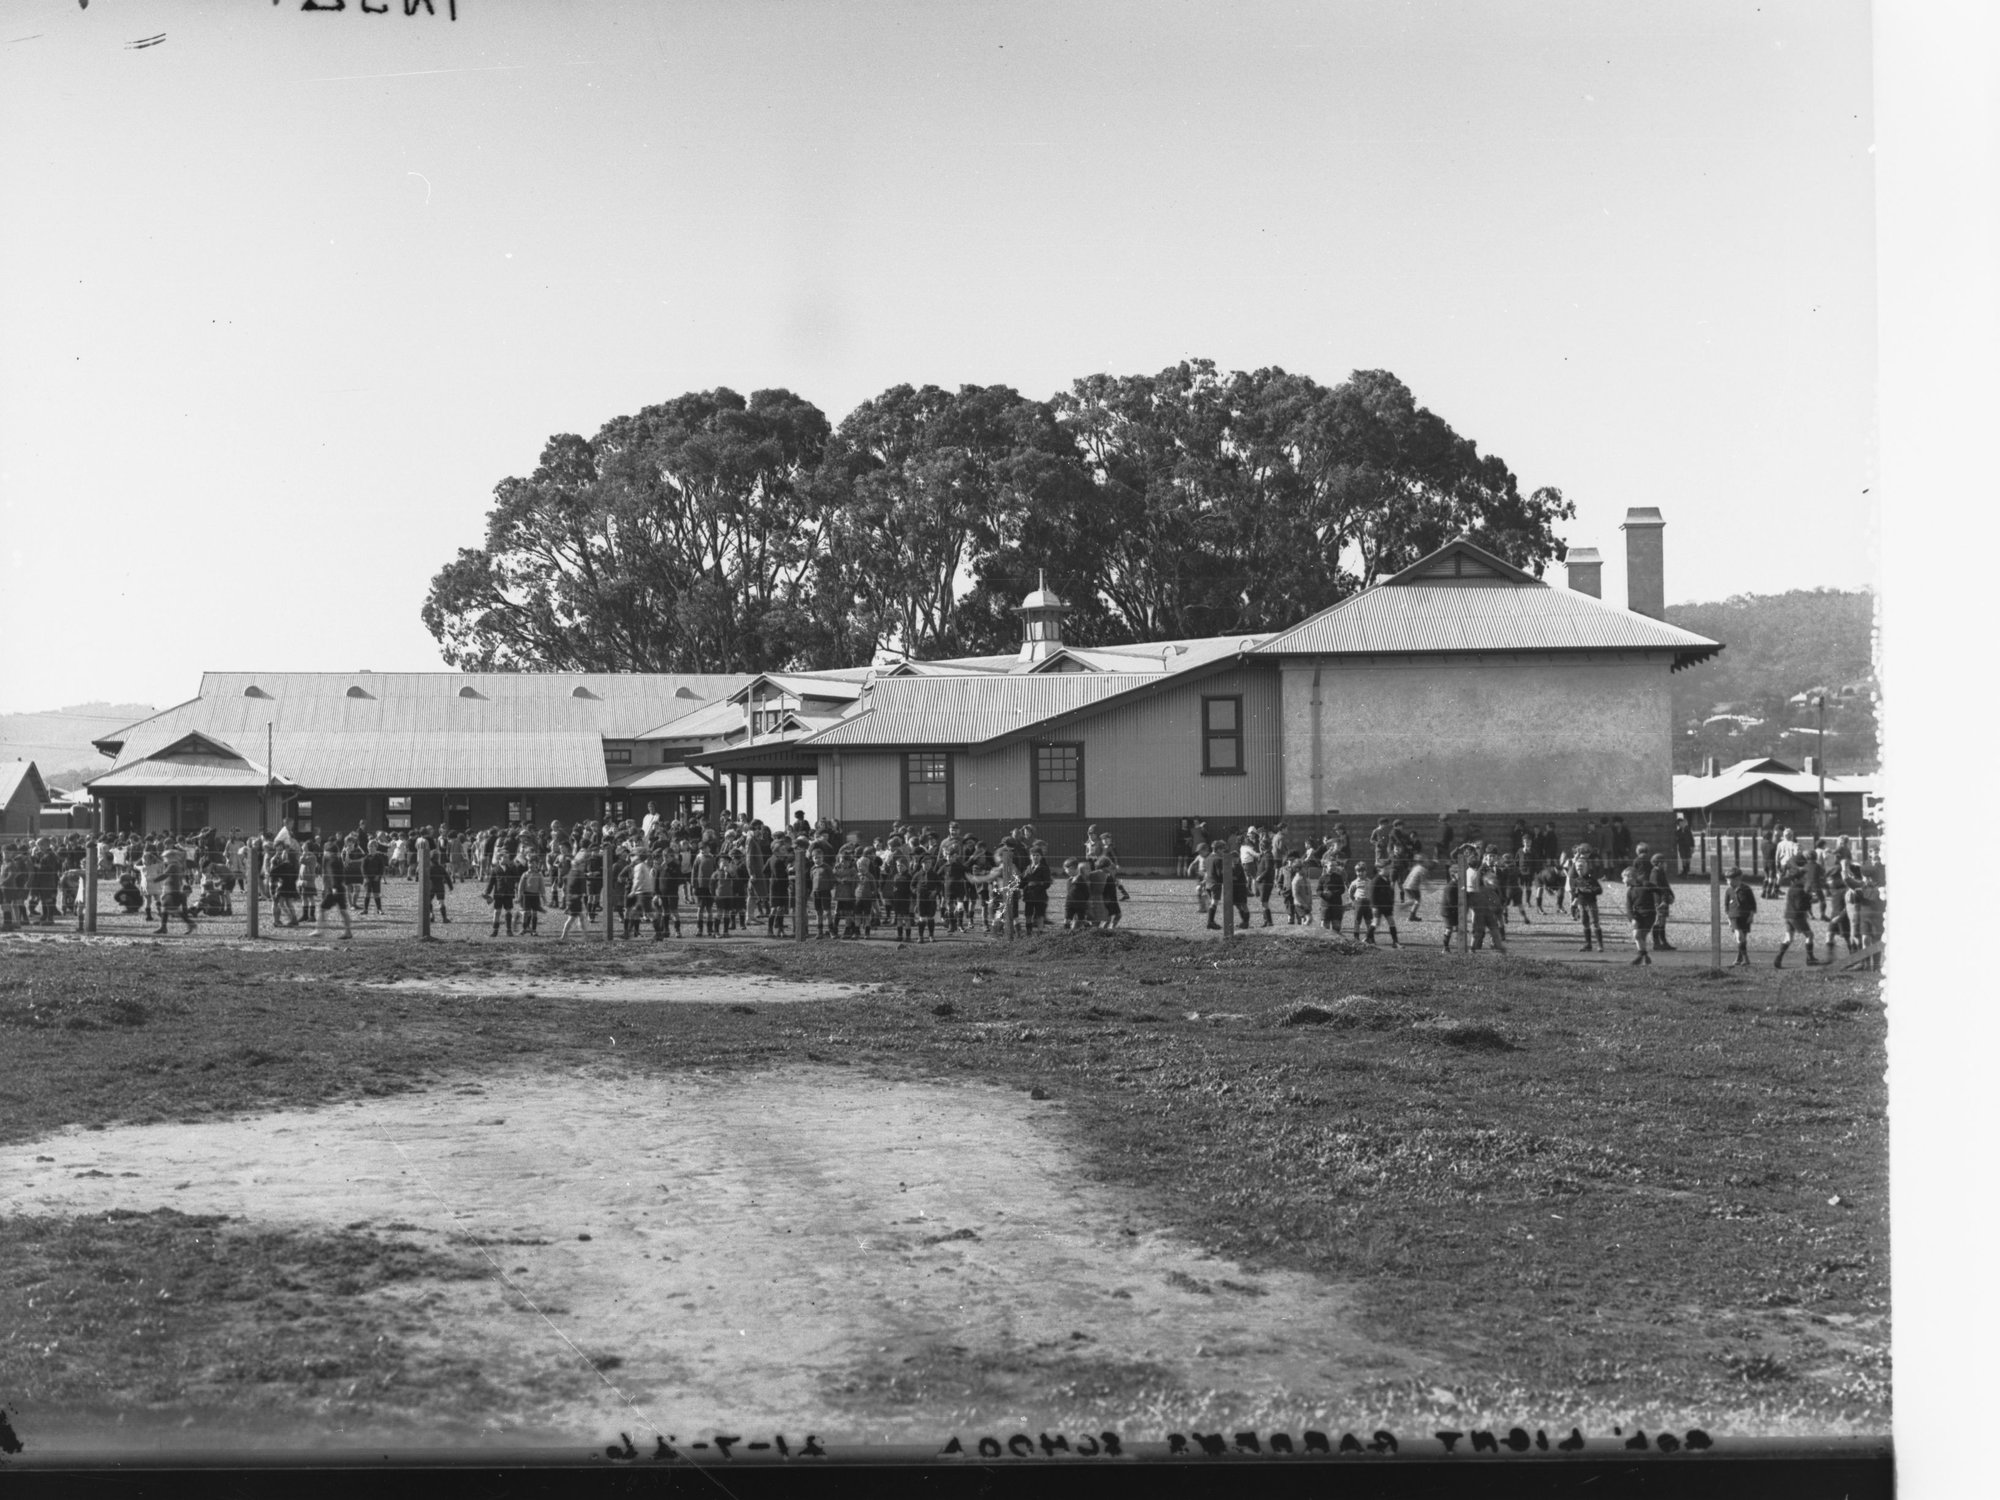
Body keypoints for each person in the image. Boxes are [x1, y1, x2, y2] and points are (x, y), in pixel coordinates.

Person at [1773, 859, 1819, 968]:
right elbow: (1800, 905)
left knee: (1788, 938)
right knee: (1809, 935)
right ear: (1800, 878)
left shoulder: (1792, 888)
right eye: (1804, 877)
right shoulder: (1799, 889)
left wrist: (1808, 898)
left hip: (1788, 916)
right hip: (1797, 916)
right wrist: (1811, 900)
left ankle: (1778, 959)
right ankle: (1810, 958)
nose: (1805, 878)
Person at [1569, 849, 1604, 952]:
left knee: (1595, 923)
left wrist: (1588, 890)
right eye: (1578, 868)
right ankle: (1588, 944)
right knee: (1585, 923)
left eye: (1581, 868)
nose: (1579, 870)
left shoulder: (1591, 879)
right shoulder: (1576, 881)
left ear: (1586, 868)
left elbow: (1599, 890)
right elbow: (1576, 894)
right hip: (1581, 904)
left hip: (1591, 904)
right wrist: (1573, 904)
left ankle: (1600, 945)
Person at [1724, 867, 1757, 966]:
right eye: (1728, 880)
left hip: (1745, 916)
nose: (1729, 882)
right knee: (1739, 937)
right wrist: (1729, 919)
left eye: (1731, 880)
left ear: (1738, 879)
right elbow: (1726, 906)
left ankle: (1739, 957)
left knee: (1743, 938)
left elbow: (1753, 904)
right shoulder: (1728, 891)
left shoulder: (1746, 889)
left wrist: (1751, 915)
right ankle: (1746, 959)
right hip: (1734, 917)